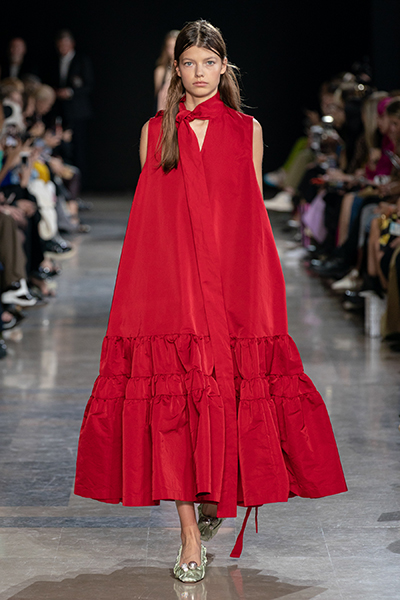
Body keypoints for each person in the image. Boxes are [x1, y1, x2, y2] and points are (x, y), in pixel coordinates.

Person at [74, 20, 347, 583]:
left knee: (225, 391)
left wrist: (260, 290)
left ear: (224, 68)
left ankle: (214, 496)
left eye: (208, 63)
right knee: (176, 398)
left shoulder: (247, 130)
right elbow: (149, 219)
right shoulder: (157, 132)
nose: (199, 73)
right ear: (176, 70)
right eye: (189, 63)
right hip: (172, 284)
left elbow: (251, 216)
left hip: (232, 283)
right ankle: (189, 536)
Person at [46, 30, 94, 184]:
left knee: (79, 148)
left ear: (72, 44)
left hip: (78, 113)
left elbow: (88, 85)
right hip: (59, 112)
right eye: (60, 45)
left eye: (65, 44)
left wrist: (71, 92)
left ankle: (80, 185)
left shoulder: (82, 60)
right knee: (60, 147)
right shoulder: (53, 62)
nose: (63, 48)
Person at [154, 30, 179, 111]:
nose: (172, 51)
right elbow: (157, 99)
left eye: (175, 47)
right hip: (164, 115)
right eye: (170, 47)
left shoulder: (187, 70)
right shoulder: (160, 71)